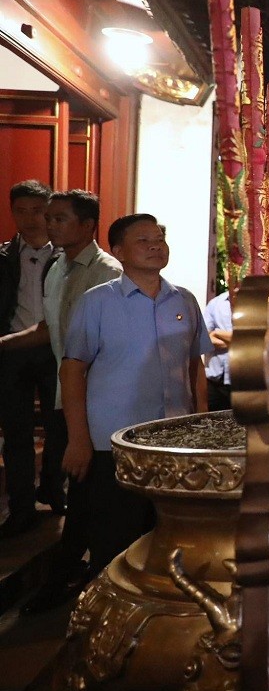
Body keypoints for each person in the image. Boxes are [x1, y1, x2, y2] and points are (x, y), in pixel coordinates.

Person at [62, 213, 211, 573]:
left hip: (173, 441)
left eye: (159, 238)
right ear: (119, 251)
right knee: (115, 544)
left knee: (168, 541)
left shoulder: (184, 301)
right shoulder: (97, 301)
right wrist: (78, 438)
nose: (155, 245)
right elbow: (72, 370)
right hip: (115, 445)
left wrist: (203, 423)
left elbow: (195, 366)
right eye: (143, 240)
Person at [17, 189, 122, 614]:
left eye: (60, 218)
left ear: (87, 225)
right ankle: (77, 579)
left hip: (96, 400)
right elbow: (51, 329)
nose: (49, 224)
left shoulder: (106, 273)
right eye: (49, 217)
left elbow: (99, 349)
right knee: (78, 491)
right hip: (68, 397)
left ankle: (77, 583)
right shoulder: (57, 267)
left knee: (88, 494)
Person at [0, 179, 56, 537]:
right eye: (21, 211)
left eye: (37, 210)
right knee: (16, 432)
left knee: (60, 428)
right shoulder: (4, 255)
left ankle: (53, 492)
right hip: (11, 350)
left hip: (56, 351)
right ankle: (20, 507)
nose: (29, 218)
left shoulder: (67, 255)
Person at [203, 290, 233, 411]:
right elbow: (205, 338)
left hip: (243, 379)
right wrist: (240, 341)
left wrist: (218, 333)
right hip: (214, 380)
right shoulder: (215, 304)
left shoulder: (255, 304)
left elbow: (259, 339)